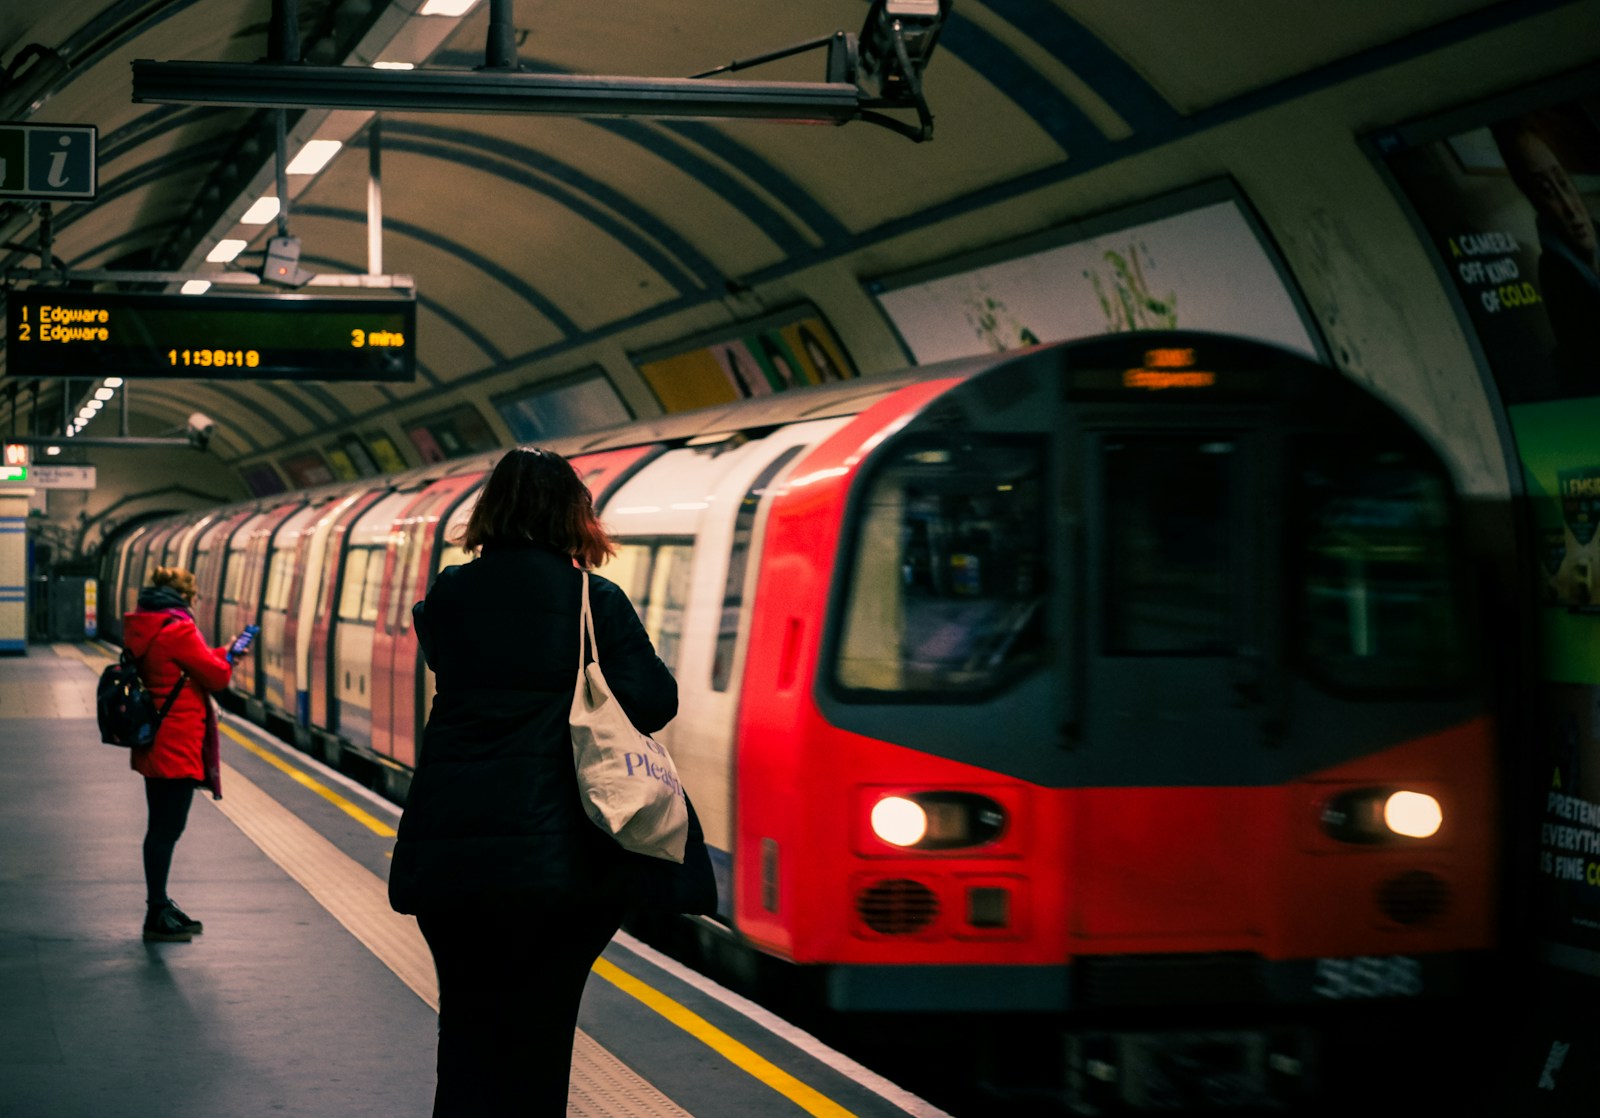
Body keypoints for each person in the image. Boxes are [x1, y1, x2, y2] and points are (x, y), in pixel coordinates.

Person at [389, 447, 715, 1118]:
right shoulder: (595, 601)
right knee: (539, 1040)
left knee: (469, 1035)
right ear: (575, 514)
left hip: (451, 852)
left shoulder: (450, 595)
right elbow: (654, 703)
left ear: (491, 512)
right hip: (561, 860)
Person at [120, 565, 239, 943]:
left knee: (161, 827)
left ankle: (160, 905)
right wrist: (231, 658)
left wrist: (223, 653)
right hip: (177, 745)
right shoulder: (181, 629)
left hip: (155, 741)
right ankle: (156, 912)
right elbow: (216, 677)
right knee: (166, 829)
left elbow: (187, 666)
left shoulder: (151, 626)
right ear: (186, 597)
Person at [1492, 115, 1600, 397]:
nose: (1569, 208)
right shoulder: (1556, 277)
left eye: (1562, 182)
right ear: (1533, 200)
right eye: (1546, 190)